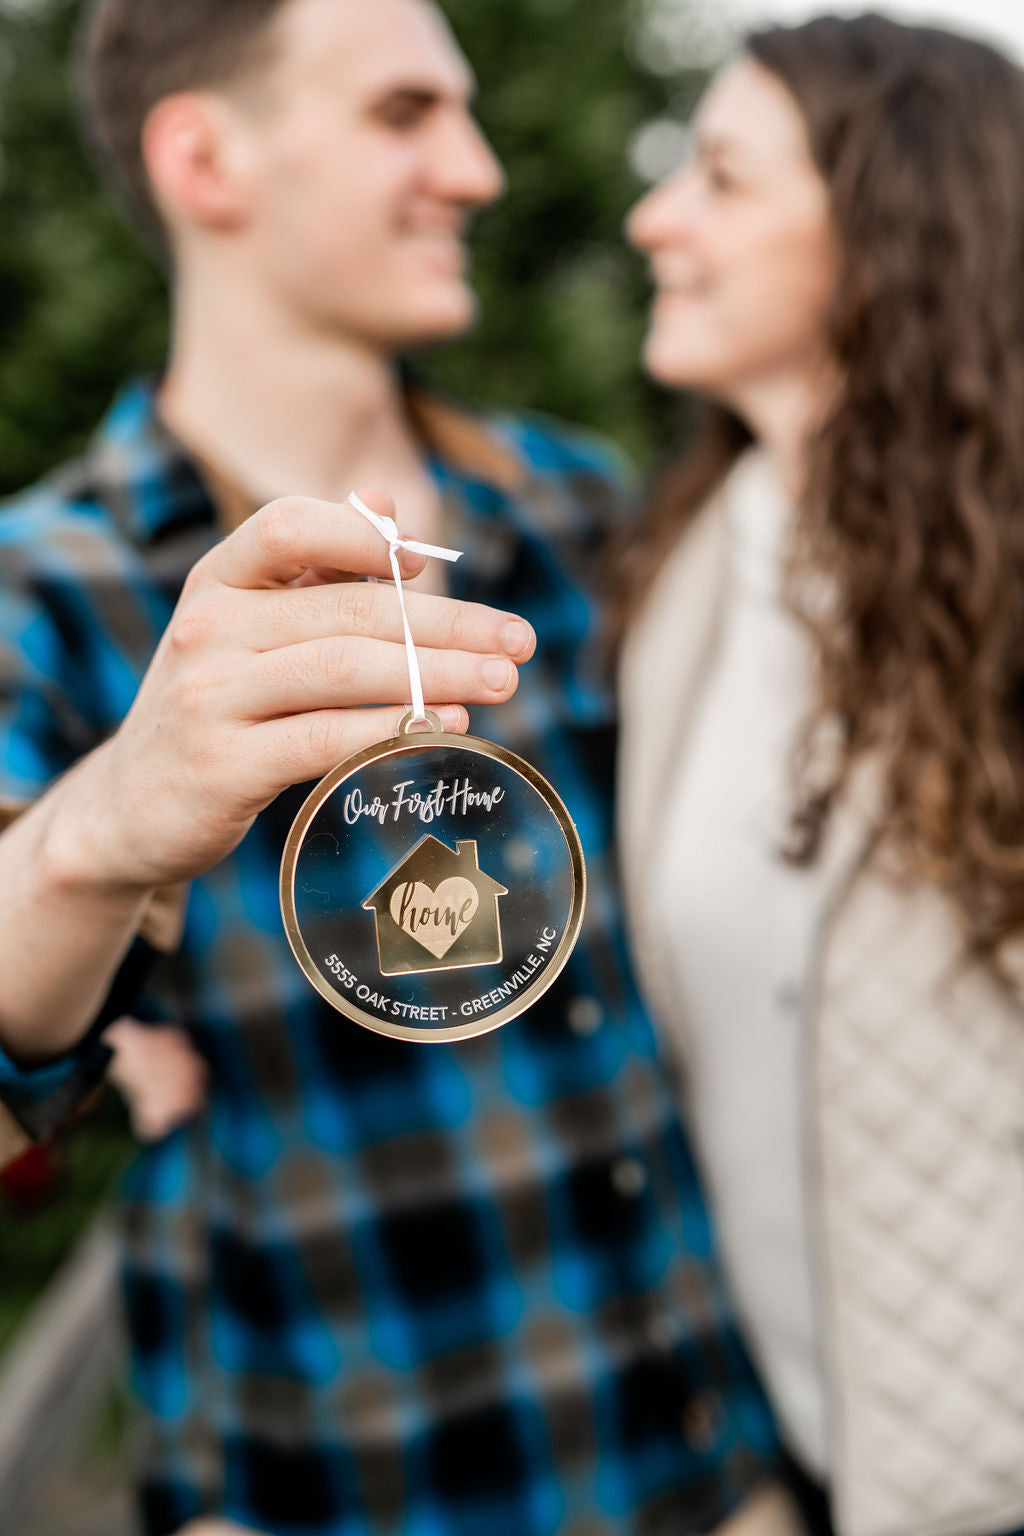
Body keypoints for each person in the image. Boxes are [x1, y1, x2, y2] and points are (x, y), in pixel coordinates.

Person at [0, 1, 794, 1533]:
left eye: (470, 114)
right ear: (204, 157)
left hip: (705, 1464)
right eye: (403, 113)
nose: (480, 169)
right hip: (338, 1489)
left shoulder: (576, 507)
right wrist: (97, 836)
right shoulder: (50, 583)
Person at [620, 13, 1024, 1536]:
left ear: (882, 239)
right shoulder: (683, 579)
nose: (656, 218)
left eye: (720, 178)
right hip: (798, 1467)